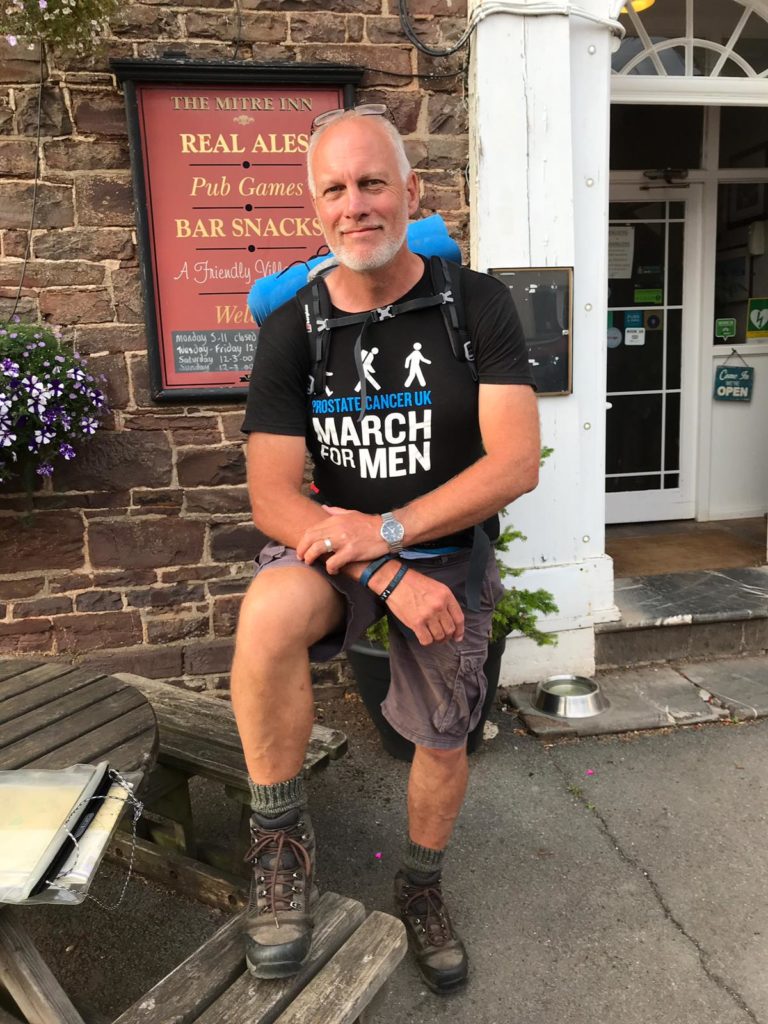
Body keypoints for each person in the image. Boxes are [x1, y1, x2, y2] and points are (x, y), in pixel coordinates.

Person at [234, 105, 540, 993]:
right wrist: (379, 561)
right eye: (335, 189)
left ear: (412, 192)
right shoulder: (293, 326)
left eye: (373, 183)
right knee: (268, 611)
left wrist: (399, 533)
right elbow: (270, 498)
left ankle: (420, 884)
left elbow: (515, 461)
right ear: (314, 211)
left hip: (440, 555)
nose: (355, 204)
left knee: (444, 734)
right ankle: (279, 852)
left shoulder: (472, 303)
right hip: (344, 554)